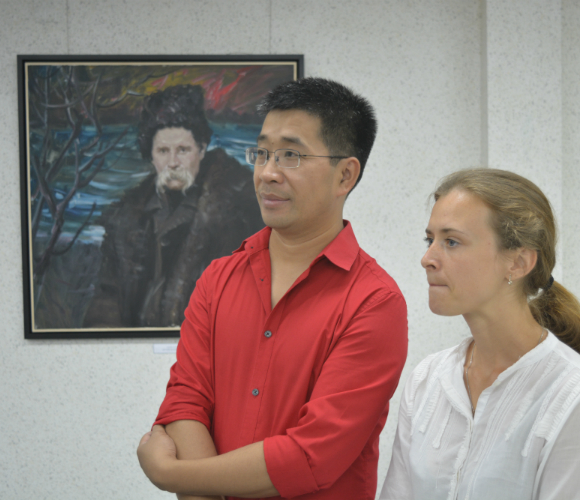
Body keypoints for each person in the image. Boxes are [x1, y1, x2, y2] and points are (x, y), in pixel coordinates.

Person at [136, 77, 408, 500]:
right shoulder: (218, 279)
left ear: (345, 175)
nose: (266, 173)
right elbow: (187, 402)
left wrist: (171, 475)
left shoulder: (374, 302)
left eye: (291, 156)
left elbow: (311, 455)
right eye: (262, 153)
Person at [380, 169, 580, 499]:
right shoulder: (426, 380)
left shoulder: (578, 396)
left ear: (518, 263)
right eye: (429, 239)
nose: (427, 258)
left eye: (451, 241)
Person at [84, 84, 263, 328]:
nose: (173, 162)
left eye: (183, 150)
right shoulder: (126, 218)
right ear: (151, 156)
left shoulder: (238, 211)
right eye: (163, 151)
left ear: (201, 150)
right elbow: (108, 298)